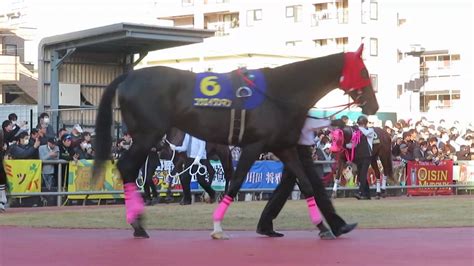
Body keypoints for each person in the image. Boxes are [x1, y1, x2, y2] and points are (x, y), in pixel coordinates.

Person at [257, 117, 357, 238]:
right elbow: (308, 122)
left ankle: (264, 224)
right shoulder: (300, 111)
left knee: (283, 190)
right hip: (301, 153)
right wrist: (331, 122)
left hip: (297, 151)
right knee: (317, 188)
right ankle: (337, 226)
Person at [172, 133, 216, 205]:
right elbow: (184, 147)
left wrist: (198, 158)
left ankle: (212, 192)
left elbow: (202, 147)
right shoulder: (187, 134)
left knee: (201, 180)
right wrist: (175, 148)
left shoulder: (200, 134)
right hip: (190, 159)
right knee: (184, 178)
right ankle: (187, 199)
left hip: (201, 159)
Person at [353, 115, 373, 200]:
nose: (360, 125)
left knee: (363, 174)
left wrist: (358, 128)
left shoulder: (370, 131)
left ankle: (360, 192)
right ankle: (367, 194)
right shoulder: (358, 132)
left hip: (367, 156)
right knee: (361, 174)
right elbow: (353, 144)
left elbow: (365, 132)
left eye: (361, 124)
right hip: (359, 156)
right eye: (359, 124)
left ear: (365, 124)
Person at [38, 137, 60, 205]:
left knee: (51, 188)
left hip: (52, 171)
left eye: (55, 144)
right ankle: (43, 202)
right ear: (48, 143)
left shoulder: (56, 147)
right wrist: (50, 155)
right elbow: (42, 159)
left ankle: (51, 203)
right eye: (52, 144)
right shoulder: (41, 148)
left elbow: (57, 158)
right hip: (43, 171)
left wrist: (50, 157)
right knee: (43, 187)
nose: (54, 146)